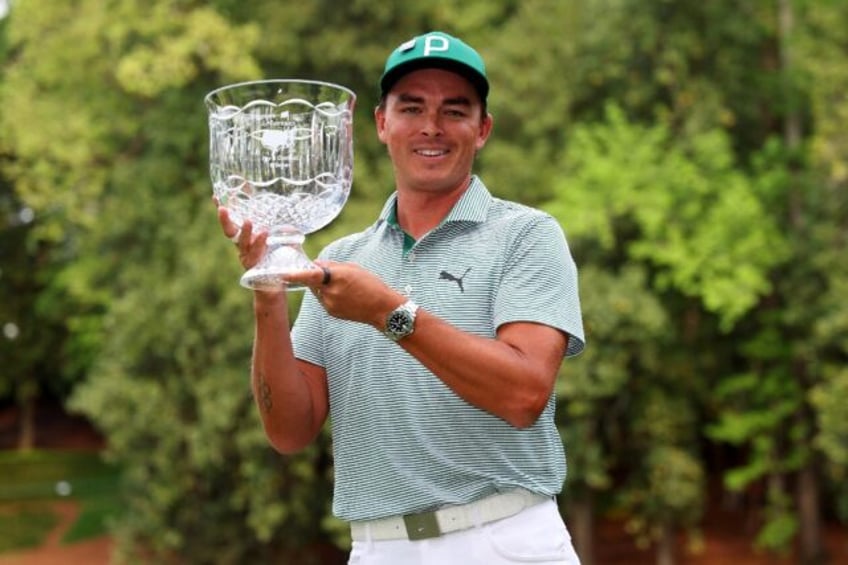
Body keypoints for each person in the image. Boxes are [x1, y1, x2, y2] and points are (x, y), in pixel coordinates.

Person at [218, 30, 585, 565]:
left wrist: (388, 313)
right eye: (411, 107)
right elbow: (289, 431)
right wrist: (268, 293)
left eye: (454, 111)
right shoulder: (345, 257)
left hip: (505, 539)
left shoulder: (526, 235)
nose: (431, 126)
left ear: (482, 130)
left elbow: (524, 395)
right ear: (381, 124)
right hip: (379, 546)